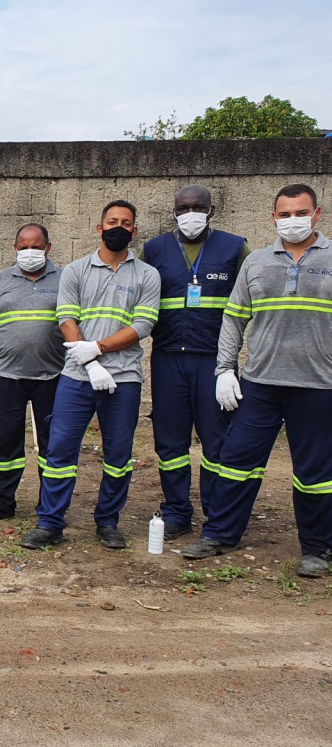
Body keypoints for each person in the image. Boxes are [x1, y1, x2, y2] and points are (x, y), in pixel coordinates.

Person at [183, 184, 332, 578]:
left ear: (317, 214)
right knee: (235, 463)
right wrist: (225, 370)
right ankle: (220, 534)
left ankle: (317, 549)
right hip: (261, 383)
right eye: (284, 214)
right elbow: (233, 319)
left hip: (319, 386)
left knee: (315, 473)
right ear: (273, 218)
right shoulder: (258, 262)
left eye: (300, 213)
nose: (293, 221)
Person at [21, 200, 161, 550]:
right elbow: (67, 318)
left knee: (117, 455)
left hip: (124, 379)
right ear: (99, 228)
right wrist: (90, 363)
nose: (118, 227)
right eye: (111, 221)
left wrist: (97, 350)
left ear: (134, 231)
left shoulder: (147, 275)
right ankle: (50, 522)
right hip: (76, 377)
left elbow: (143, 324)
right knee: (61, 452)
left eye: (126, 223)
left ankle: (108, 522)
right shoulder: (76, 271)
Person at [142, 185, 250, 540]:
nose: (191, 213)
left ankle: (216, 514)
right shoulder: (154, 250)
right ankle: (176, 512)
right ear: (174, 211)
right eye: (184, 207)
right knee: (170, 443)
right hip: (168, 358)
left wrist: (230, 365)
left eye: (198, 206)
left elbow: (251, 300)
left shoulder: (235, 248)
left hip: (214, 361)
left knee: (216, 439)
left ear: (211, 210)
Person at [0, 224, 64, 521]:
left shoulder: (65, 279)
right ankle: (0, 502)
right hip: (9, 375)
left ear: (48, 247)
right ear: (14, 248)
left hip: (53, 375)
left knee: (53, 444)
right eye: (23, 247)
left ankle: (50, 505)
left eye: (35, 246)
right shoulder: (0, 281)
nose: (29, 252)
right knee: (4, 440)